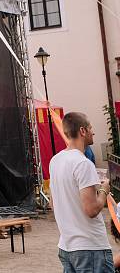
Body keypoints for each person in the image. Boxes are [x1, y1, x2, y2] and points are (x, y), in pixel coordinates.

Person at [49, 112, 113, 272]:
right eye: (91, 127)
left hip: (67, 246)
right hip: (91, 247)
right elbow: (91, 209)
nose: (93, 132)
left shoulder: (55, 161)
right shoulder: (83, 163)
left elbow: (53, 204)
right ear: (83, 131)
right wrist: (104, 190)